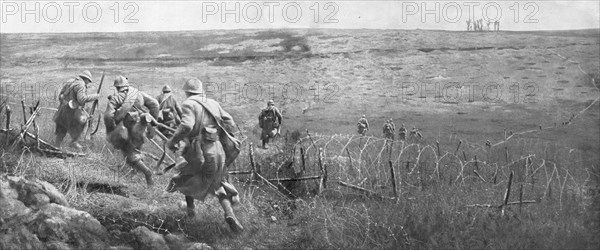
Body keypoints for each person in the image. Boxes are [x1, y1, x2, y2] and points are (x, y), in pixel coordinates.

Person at [166, 77, 244, 233]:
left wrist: (172, 141)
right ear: (200, 90)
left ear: (187, 92)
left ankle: (191, 211)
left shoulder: (189, 104)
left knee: (185, 176)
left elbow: (187, 126)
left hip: (199, 152)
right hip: (218, 150)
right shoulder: (213, 103)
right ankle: (229, 214)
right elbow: (230, 122)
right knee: (217, 182)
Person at [104, 75, 159, 186]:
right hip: (141, 129)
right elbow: (155, 105)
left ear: (117, 87)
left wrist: (112, 128)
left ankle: (148, 174)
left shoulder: (116, 98)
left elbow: (108, 116)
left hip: (127, 131)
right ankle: (134, 173)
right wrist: (152, 125)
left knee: (130, 154)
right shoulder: (139, 94)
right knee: (137, 151)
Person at [53, 70, 100, 150]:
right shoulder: (81, 85)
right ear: (86, 79)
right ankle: (74, 142)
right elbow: (81, 99)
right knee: (83, 121)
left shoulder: (69, 82)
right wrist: (95, 96)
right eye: (88, 82)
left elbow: (60, 96)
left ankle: (56, 147)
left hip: (62, 110)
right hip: (72, 113)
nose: (87, 83)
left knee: (62, 130)